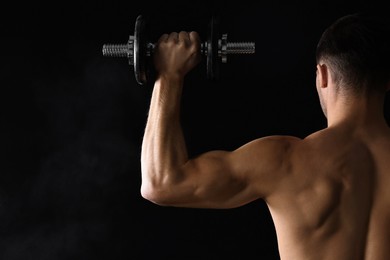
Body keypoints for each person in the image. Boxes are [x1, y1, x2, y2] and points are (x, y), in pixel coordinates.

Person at [140, 12, 390, 259]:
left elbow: (162, 183)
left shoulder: (286, 160)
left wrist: (169, 76)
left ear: (322, 75)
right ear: (387, 82)